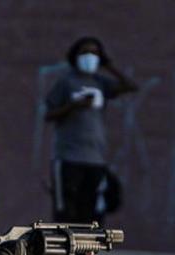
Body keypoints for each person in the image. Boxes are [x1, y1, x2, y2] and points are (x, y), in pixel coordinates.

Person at [44, 36, 136, 224]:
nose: (90, 56)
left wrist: (108, 65)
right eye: (85, 52)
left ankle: (85, 249)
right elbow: (49, 114)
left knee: (91, 207)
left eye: (95, 53)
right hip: (69, 156)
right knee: (67, 208)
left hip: (95, 157)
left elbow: (131, 86)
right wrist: (74, 106)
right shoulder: (67, 82)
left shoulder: (100, 82)